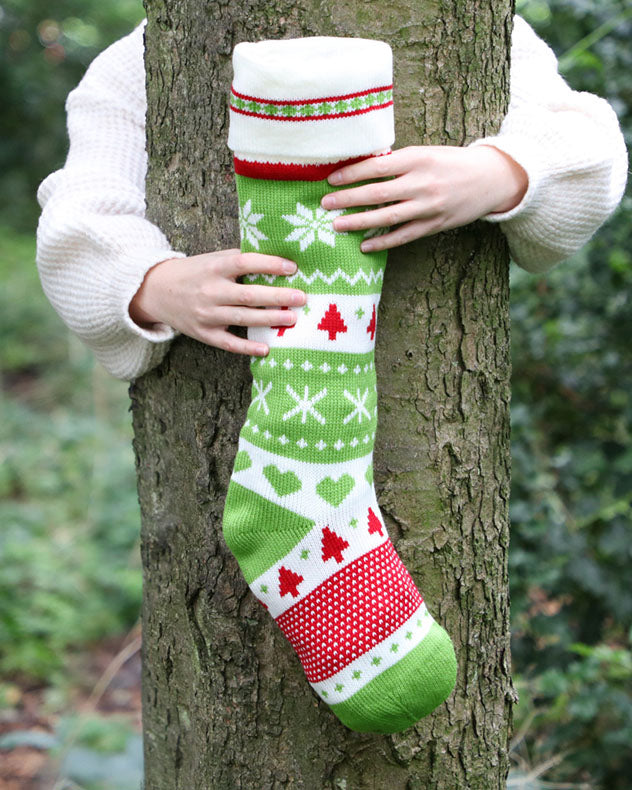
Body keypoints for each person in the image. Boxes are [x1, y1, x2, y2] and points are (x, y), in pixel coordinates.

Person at [35, 16, 627, 382]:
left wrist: (501, 173)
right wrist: (151, 287)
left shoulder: (472, 23)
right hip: (220, 392)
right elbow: (80, 210)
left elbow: (591, 149)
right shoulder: (151, 53)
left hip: (432, 378)